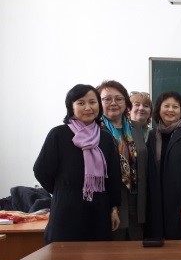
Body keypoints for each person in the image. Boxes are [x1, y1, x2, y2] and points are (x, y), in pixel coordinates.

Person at [34, 84, 121, 243]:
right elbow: (41, 171)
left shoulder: (106, 138)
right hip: (66, 210)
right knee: (64, 256)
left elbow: (114, 177)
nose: (88, 107)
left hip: (99, 212)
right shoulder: (58, 134)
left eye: (92, 102)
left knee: (99, 256)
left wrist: (114, 209)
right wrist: (63, 190)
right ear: (71, 107)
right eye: (81, 103)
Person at [146, 91, 181, 241]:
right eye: (166, 106)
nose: (170, 110)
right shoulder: (152, 135)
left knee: (179, 244)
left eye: (175, 107)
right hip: (157, 202)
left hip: (179, 202)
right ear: (159, 109)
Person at [97, 80, 148, 241]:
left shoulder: (136, 127)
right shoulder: (95, 130)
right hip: (109, 202)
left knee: (137, 248)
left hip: (137, 200)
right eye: (107, 99)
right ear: (99, 103)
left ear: (126, 103)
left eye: (119, 98)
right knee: (114, 249)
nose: (113, 103)